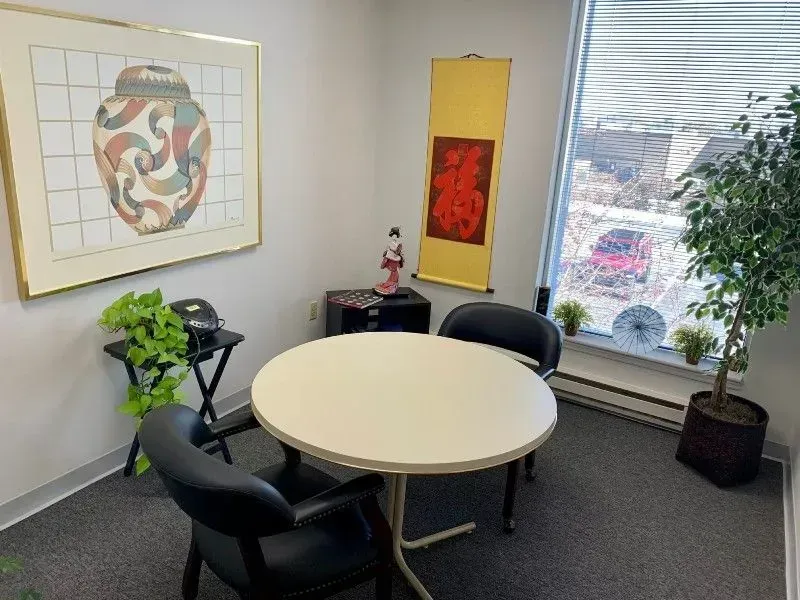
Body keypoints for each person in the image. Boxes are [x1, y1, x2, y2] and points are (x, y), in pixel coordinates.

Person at [374, 226, 404, 296]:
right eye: (393, 236)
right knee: (394, 271)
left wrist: (398, 251)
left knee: (396, 271)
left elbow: (397, 250)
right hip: (392, 256)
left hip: (395, 257)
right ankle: (391, 283)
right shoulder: (392, 243)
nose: (394, 237)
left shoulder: (396, 243)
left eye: (395, 236)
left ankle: (393, 284)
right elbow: (393, 249)